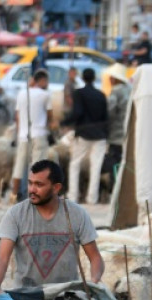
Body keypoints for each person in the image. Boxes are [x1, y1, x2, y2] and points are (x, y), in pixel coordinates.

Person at [0, 159, 104, 288]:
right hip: (26, 295)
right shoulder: (15, 214)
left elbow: (95, 257)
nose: (32, 189)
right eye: (30, 183)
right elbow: (2, 259)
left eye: (39, 185)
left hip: (66, 295)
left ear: (56, 188)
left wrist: (94, 281)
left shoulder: (77, 214)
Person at [62, 67, 108, 205]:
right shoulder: (101, 95)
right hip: (100, 135)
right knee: (96, 167)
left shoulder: (79, 93)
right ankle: (92, 199)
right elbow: (106, 117)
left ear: (82, 78)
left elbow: (78, 113)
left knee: (75, 164)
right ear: (94, 79)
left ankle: (73, 196)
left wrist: (64, 122)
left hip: (83, 133)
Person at [11, 70, 52, 201]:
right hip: (39, 134)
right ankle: (35, 194)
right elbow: (50, 116)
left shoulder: (22, 93)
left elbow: (17, 116)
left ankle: (14, 195)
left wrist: (19, 132)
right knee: (37, 167)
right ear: (43, 81)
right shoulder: (46, 95)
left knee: (19, 165)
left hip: (23, 135)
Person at [104, 64, 131, 180]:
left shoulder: (116, 91)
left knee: (114, 163)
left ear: (115, 78)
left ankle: (114, 188)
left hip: (116, 134)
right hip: (128, 132)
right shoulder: (130, 89)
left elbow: (110, 111)